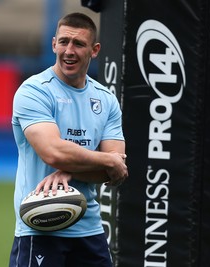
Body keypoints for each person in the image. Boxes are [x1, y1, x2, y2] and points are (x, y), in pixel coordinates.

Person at [9, 12, 128, 267]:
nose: (69, 51)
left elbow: (115, 172)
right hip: (40, 225)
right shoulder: (34, 91)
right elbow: (53, 152)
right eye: (63, 42)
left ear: (94, 50)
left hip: (89, 229)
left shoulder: (106, 99)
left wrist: (71, 173)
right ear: (54, 44)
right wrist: (105, 159)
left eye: (79, 44)